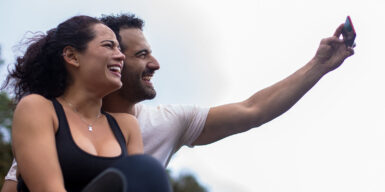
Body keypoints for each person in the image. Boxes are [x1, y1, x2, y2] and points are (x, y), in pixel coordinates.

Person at [2, 13, 354, 191]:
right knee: (143, 170)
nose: (153, 64)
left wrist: (319, 65)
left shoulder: (141, 125)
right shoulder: (42, 114)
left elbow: (252, 110)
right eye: (138, 54)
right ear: (75, 57)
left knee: (144, 171)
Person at [2, 15, 171, 192]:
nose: (121, 56)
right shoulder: (37, 109)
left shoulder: (127, 126)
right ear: (72, 56)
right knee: (147, 168)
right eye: (109, 45)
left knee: (146, 170)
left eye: (120, 49)